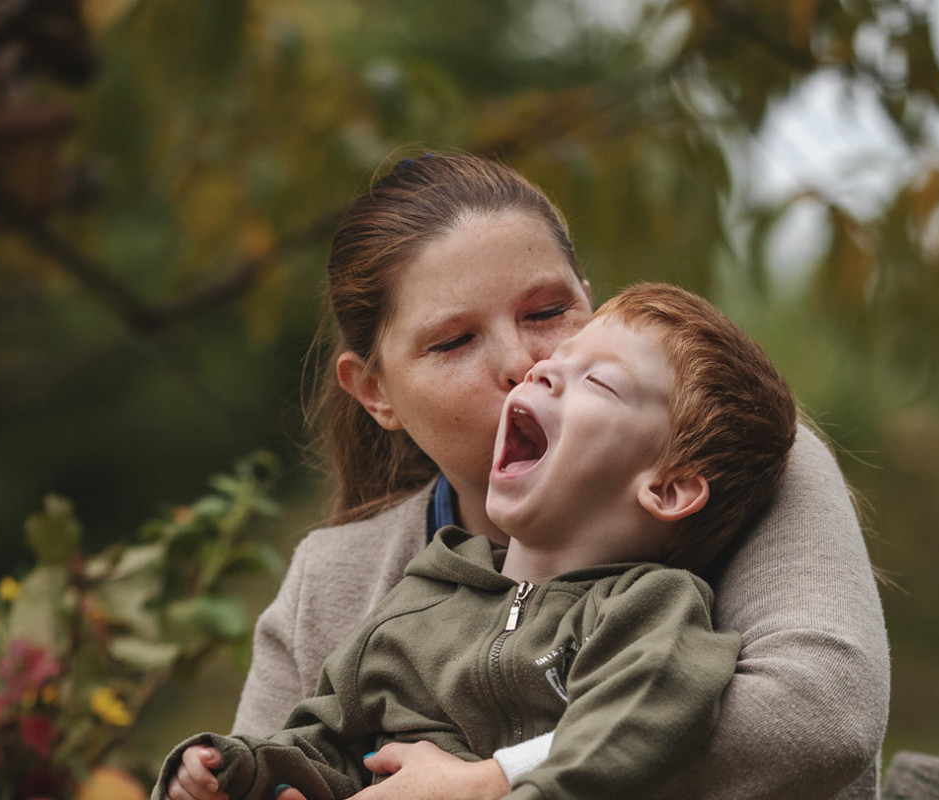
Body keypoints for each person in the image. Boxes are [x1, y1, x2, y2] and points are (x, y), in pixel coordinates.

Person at [181, 152, 889, 800]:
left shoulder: (744, 466)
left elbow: (818, 721)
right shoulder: (334, 582)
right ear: (375, 392)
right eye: (455, 341)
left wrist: (491, 783)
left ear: (592, 301)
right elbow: (268, 760)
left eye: (549, 312)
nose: (526, 362)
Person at [155, 282, 799, 800]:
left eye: (597, 382)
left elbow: (636, 725)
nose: (537, 372)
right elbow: (324, 743)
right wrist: (240, 771)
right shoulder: (426, 592)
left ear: (667, 489)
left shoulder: (651, 608)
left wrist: (488, 784)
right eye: (558, 363)